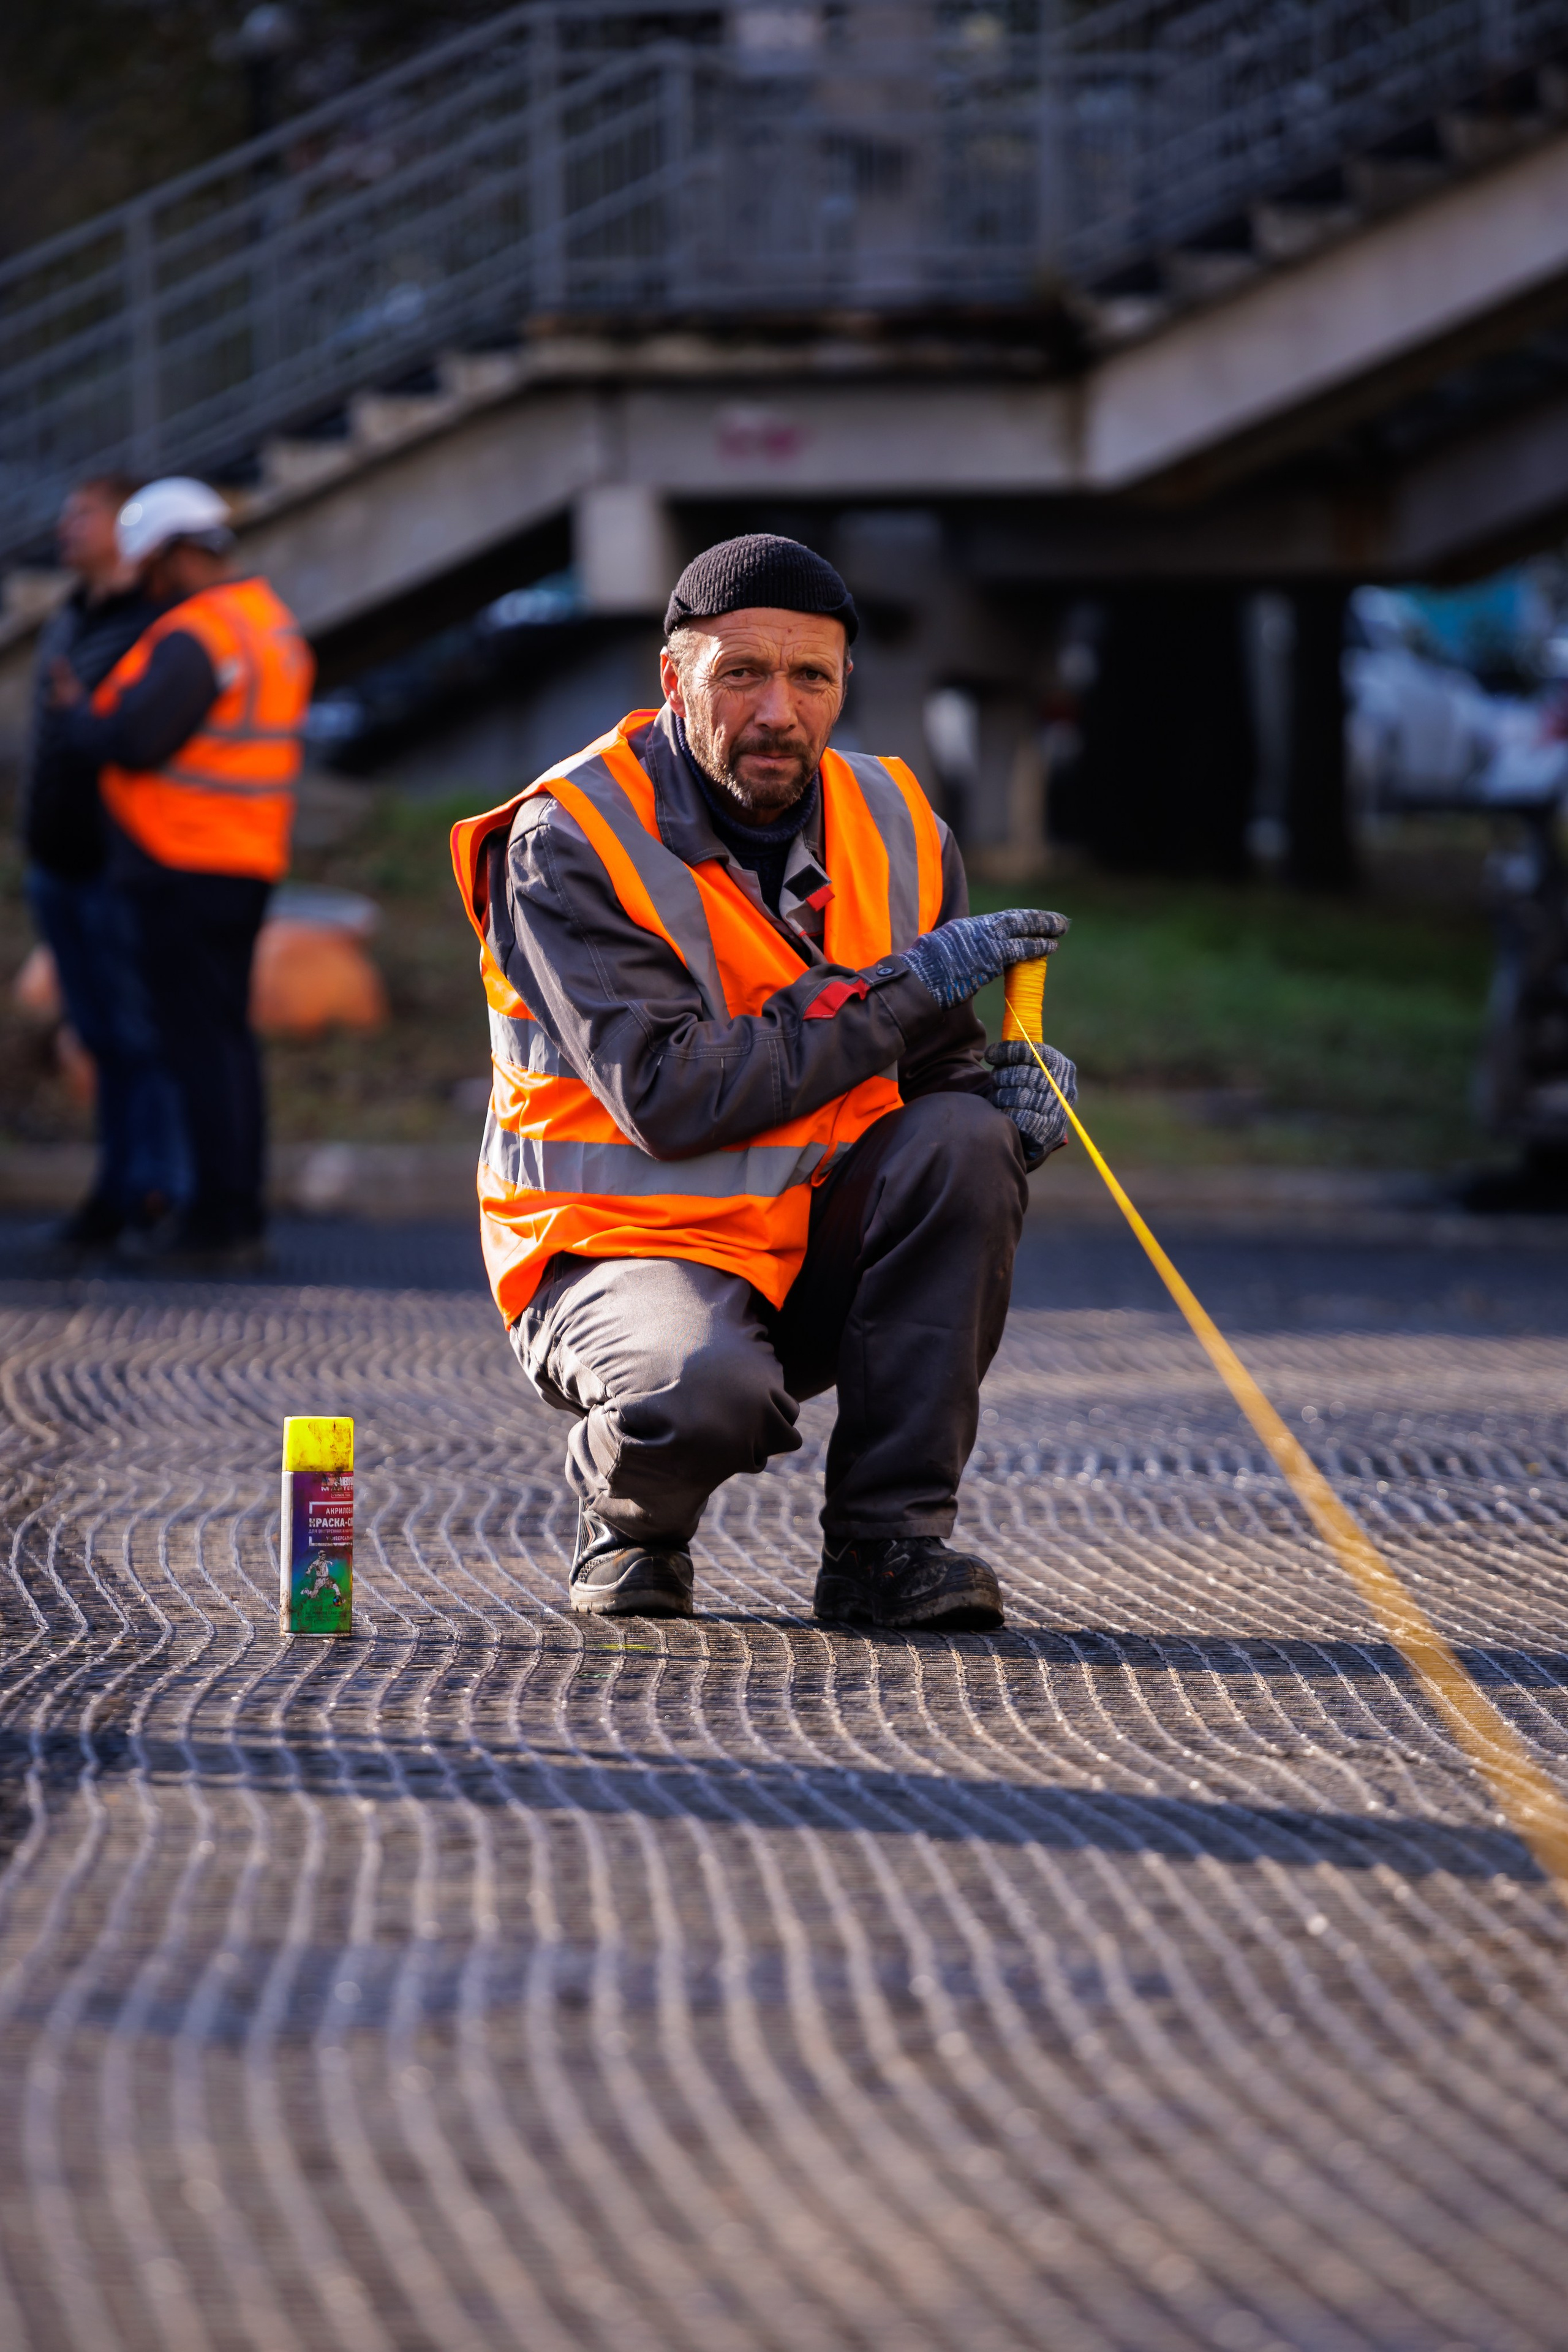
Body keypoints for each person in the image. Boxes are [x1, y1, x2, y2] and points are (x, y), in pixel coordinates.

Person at [452, 532, 1077, 1630]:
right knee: (705, 1394)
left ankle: (887, 1549)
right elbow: (667, 1092)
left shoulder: (899, 824)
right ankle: (633, 1521)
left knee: (965, 1145)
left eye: (811, 677)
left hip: (802, 1244)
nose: (778, 712)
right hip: (619, 1249)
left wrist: (1006, 1110)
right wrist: (903, 989)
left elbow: (928, 1069)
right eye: (740, 673)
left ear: (845, 683)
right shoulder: (569, 839)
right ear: (674, 679)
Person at [53, 477, 315, 1267]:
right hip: (243, 861)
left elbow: (136, 739)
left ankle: (216, 1227)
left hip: (182, 865)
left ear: (171, 555)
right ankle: (236, 1216)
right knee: (226, 1045)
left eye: (148, 565)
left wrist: (77, 716)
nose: (145, 582)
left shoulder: (198, 633)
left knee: (198, 1049)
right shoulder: (269, 623)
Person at [21, 474, 186, 1249]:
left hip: (119, 868)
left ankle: (154, 1192)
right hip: (57, 864)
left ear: (130, 527)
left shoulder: (156, 625)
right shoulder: (70, 616)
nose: (66, 525)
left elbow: (128, 738)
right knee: (97, 1037)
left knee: (137, 1037)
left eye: (83, 512)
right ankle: (115, 1191)